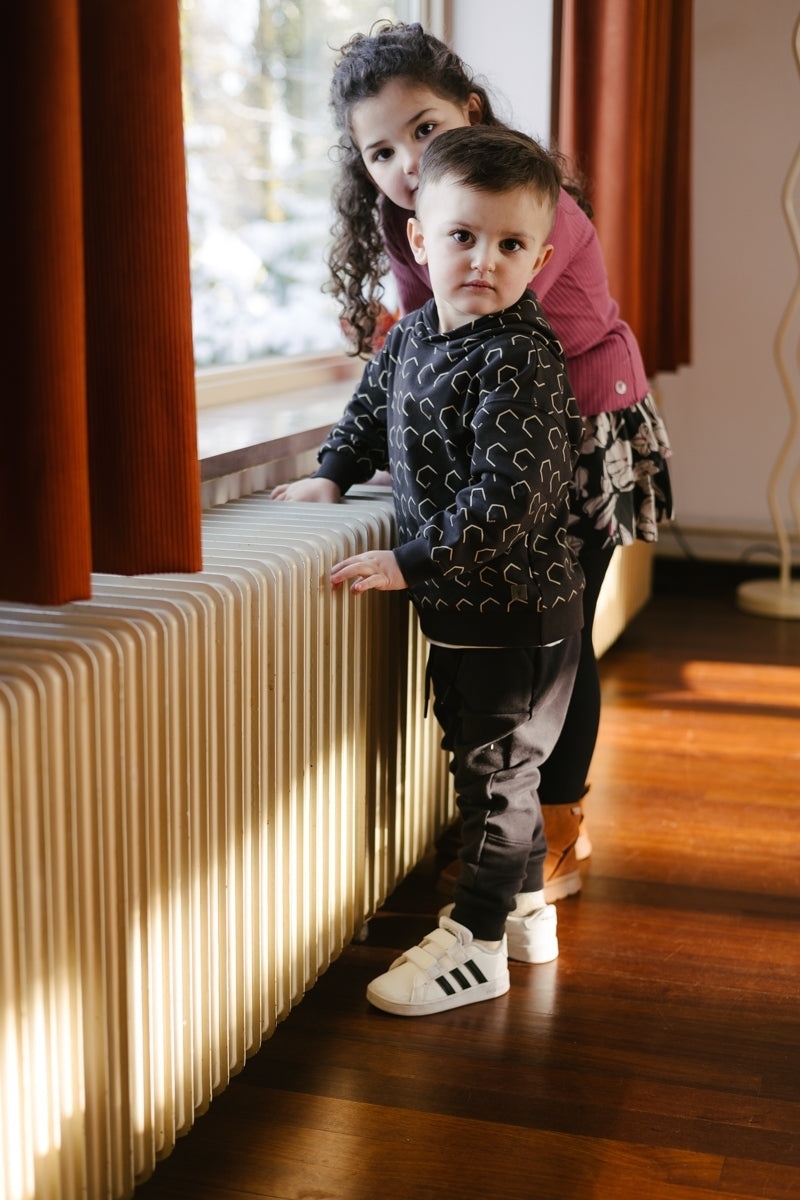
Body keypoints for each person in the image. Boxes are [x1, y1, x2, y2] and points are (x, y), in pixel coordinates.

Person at [325, 21, 673, 903]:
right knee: (508, 644)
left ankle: (558, 825)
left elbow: (478, 340)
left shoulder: (521, 214)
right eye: (381, 152)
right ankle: (508, 813)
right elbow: (421, 345)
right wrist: (349, 450)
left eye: (425, 130)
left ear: (470, 111)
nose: (408, 164)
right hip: (504, 437)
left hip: (585, 430)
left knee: (560, 640)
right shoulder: (414, 219)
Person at [272, 123, 584, 1015]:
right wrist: (332, 473)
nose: (484, 259)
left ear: (540, 258)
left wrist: (408, 560)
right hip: (463, 608)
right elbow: (370, 411)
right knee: (490, 765)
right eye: (462, 236)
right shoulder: (412, 336)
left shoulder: (520, 357)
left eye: (511, 245)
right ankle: (523, 914)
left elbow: (507, 497)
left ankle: (476, 943)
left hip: (517, 612)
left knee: (494, 779)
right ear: (419, 238)